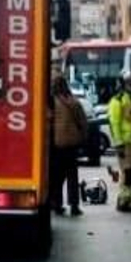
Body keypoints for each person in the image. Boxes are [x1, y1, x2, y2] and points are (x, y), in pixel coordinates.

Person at [107, 70, 131, 213]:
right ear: (122, 84)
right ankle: (124, 201)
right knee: (128, 172)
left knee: (130, 173)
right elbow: (115, 123)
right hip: (125, 142)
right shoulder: (117, 100)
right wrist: (119, 144)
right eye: (128, 83)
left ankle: (125, 200)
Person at [50, 76, 87, 216]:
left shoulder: (51, 102)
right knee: (72, 176)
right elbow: (83, 122)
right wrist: (83, 138)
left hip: (57, 144)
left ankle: (57, 204)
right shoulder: (74, 101)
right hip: (72, 144)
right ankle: (74, 206)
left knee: (57, 177)